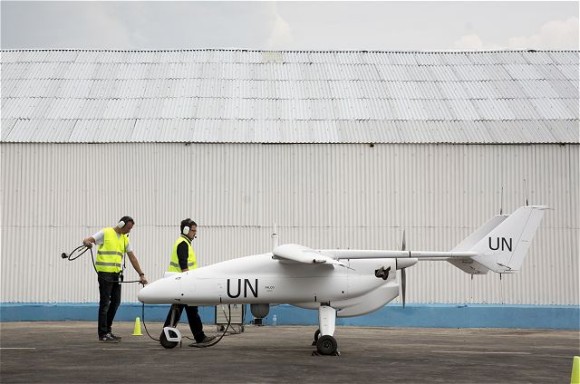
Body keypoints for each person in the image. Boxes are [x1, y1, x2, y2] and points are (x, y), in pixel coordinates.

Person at [82, 216, 148, 343]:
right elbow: (87, 240)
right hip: (104, 274)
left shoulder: (124, 239)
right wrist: (87, 243)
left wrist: (141, 274)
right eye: (128, 228)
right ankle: (103, 333)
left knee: (116, 302)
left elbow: (132, 257)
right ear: (121, 224)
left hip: (116, 275)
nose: (129, 231)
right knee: (105, 303)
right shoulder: (106, 233)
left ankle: (108, 330)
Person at [162, 218, 215, 346]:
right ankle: (199, 337)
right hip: (183, 283)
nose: (195, 233)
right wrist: (189, 281)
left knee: (178, 310)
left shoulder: (184, 243)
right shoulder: (183, 244)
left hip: (181, 282)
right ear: (186, 230)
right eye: (193, 230)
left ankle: (165, 335)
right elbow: (183, 264)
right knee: (190, 310)